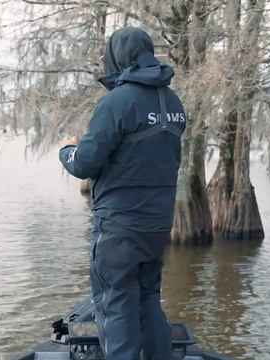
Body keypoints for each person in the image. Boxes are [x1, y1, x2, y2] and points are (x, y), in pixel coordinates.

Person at [58, 27, 186, 360]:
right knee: (147, 300)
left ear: (116, 56)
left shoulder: (116, 102)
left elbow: (84, 164)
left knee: (115, 304)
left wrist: (66, 150)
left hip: (119, 228)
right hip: (157, 225)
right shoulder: (173, 102)